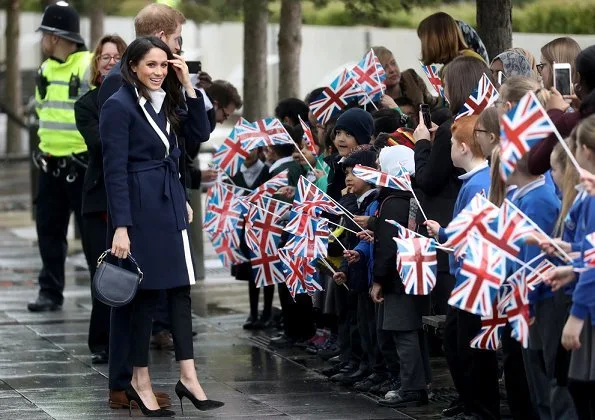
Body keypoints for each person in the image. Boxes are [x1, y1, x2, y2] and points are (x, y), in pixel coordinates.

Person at [100, 36, 221, 417]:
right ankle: (140, 381)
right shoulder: (118, 105)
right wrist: (122, 225)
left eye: (164, 65)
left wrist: (187, 85)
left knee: (181, 290)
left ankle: (189, 376)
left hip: (169, 201)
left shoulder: (168, 99)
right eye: (150, 65)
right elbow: (114, 170)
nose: (158, 72)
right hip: (139, 208)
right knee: (146, 296)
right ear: (132, 66)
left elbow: (197, 135)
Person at [425, 115, 500, 419]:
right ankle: (470, 401)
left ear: (465, 148)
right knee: (457, 344)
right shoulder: (473, 182)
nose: (450, 150)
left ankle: (480, 407)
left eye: (453, 144)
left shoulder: (479, 184)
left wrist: (446, 234)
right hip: (466, 277)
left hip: (475, 278)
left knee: (469, 347)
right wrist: (443, 233)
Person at [412, 56, 494, 317]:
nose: (443, 91)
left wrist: (423, 143)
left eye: (446, 84)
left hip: (451, 232)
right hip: (483, 238)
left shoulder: (455, 128)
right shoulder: (490, 123)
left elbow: (428, 180)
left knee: (458, 319)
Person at [28, 3, 92, 313]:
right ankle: (50, 292)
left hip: (81, 166)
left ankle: (104, 293)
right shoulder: (46, 69)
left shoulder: (88, 66)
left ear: (54, 37)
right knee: (48, 232)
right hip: (50, 165)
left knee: (93, 236)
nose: (41, 40)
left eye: (44, 34)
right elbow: (41, 111)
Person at [74, 34, 127, 365]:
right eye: (103, 57)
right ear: (96, 65)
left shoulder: (141, 100)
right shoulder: (86, 105)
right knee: (103, 270)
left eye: (116, 56)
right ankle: (102, 341)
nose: (109, 61)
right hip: (98, 201)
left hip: (132, 198)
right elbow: (100, 144)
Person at [528, 45, 595, 175]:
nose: (540, 71)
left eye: (543, 65)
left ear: (579, 79)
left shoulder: (572, 121)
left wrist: (554, 112)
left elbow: (535, 164)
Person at [372, 46, 438, 110]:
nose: (392, 70)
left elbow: (432, 104)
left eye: (393, 63)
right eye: (384, 67)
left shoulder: (410, 77)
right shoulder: (372, 102)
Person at [417, 12, 486, 66]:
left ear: (437, 41)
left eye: (424, 42)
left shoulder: (466, 63)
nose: (423, 47)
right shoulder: (455, 63)